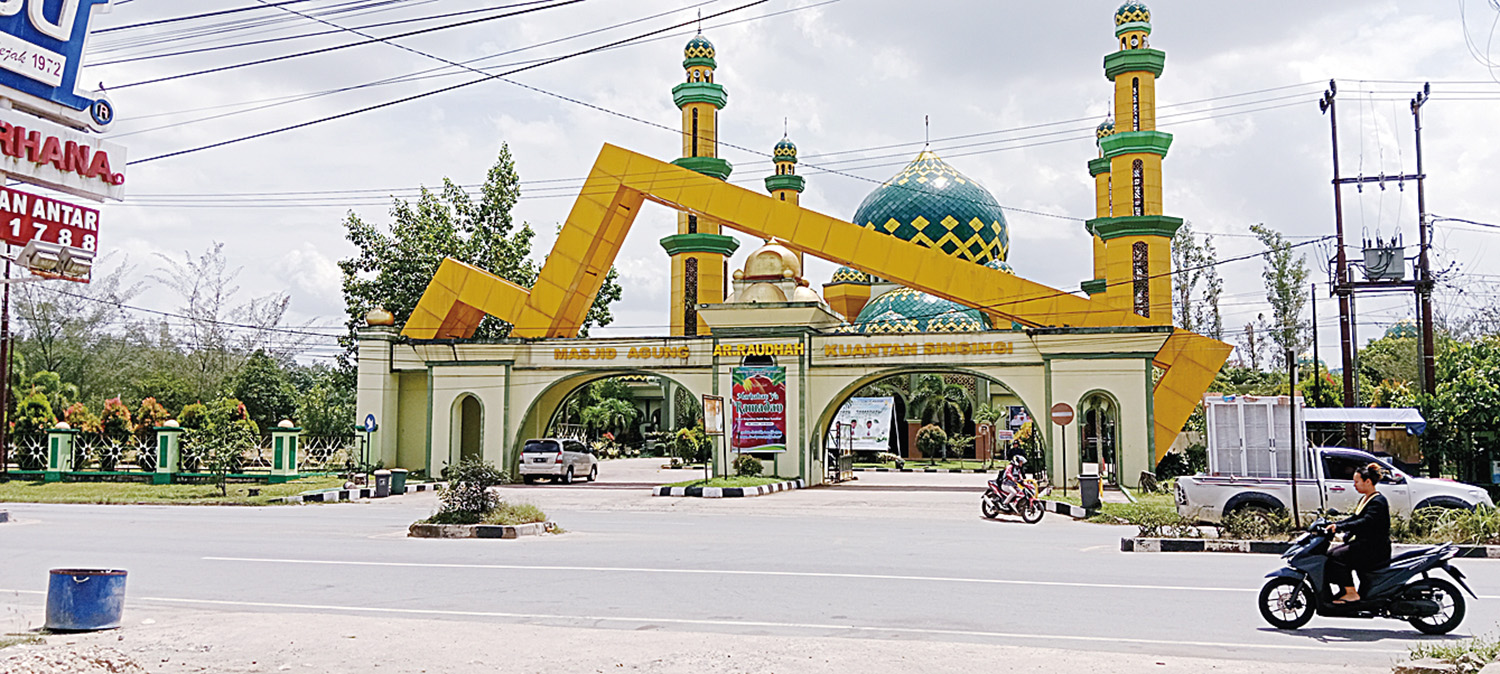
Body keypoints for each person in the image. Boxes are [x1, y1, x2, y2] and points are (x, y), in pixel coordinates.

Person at [1323, 463, 1392, 604]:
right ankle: (1344, 589)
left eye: (1356, 482)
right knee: (1329, 555)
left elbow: (1365, 522)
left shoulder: (1378, 501)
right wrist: (1336, 525)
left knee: (1337, 557)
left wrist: (1341, 527)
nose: (1354, 485)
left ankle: (1351, 593)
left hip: (1374, 548)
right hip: (1366, 545)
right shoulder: (1366, 499)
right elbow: (1355, 518)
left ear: (1368, 482)